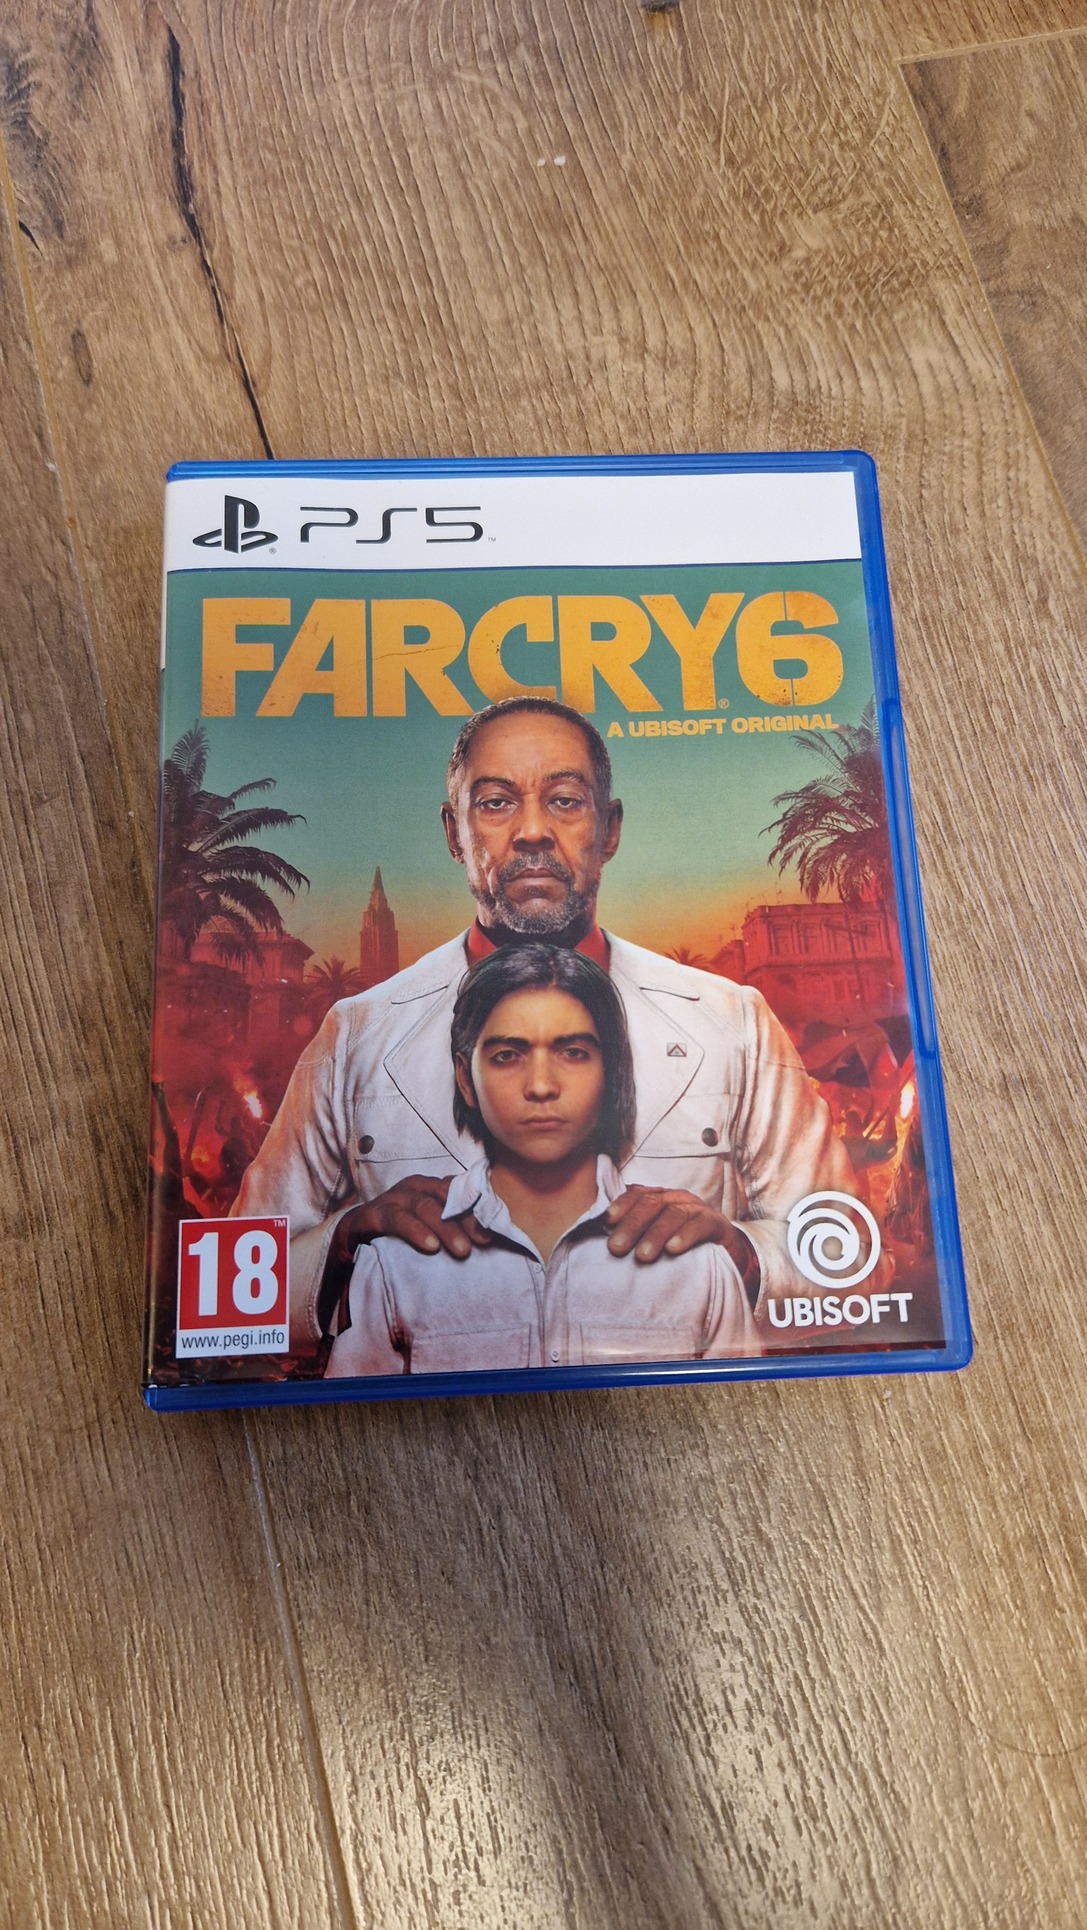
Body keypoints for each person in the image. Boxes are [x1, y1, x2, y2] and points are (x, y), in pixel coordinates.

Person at [234, 695, 855, 1358]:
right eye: (495, 803)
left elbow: (852, 1265)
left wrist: (739, 1252)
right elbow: (228, 1297)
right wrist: (345, 1241)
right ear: (453, 833)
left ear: (609, 830)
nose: (532, 830)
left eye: (564, 800)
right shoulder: (357, 1034)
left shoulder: (731, 1021)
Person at [326, 946, 758, 1377]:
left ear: (611, 1073)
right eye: (506, 1056)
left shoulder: (700, 1265)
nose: (540, 1086)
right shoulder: (393, 1265)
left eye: (573, 1052)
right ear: (465, 1079)